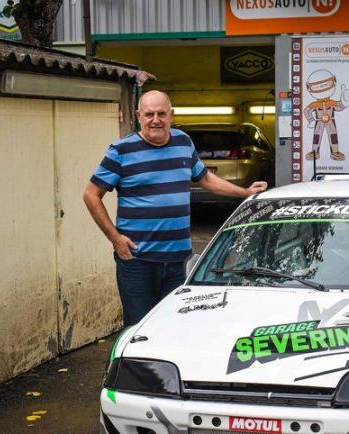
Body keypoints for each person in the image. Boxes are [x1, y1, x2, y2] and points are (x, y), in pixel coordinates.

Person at [83, 90, 267, 326]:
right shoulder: (121, 151)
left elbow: (205, 179)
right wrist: (115, 238)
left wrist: (245, 193)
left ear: (171, 115)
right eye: (149, 114)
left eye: (161, 113)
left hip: (179, 260)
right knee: (139, 328)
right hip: (138, 260)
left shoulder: (183, 141)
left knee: (174, 327)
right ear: (139, 116)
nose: (155, 120)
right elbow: (91, 195)